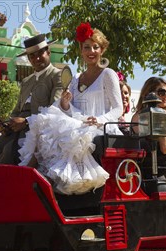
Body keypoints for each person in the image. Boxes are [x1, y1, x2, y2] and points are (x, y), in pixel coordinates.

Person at [18, 23, 122, 195]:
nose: (91, 51)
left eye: (95, 47)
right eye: (87, 47)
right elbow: (70, 110)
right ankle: (32, 182)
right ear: (81, 51)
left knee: (67, 136)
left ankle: (36, 186)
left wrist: (100, 120)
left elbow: (118, 109)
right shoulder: (76, 78)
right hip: (80, 123)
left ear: (102, 50)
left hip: (102, 126)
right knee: (45, 129)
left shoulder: (108, 74)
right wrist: (65, 104)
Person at [0, 33, 63, 165]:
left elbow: (55, 109)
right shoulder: (26, 81)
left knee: (9, 153)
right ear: (29, 59)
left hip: (38, 128)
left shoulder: (57, 75)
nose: (36, 58)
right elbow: (17, 109)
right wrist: (8, 123)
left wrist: (27, 122)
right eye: (32, 56)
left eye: (40, 53)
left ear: (48, 52)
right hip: (17, 128)